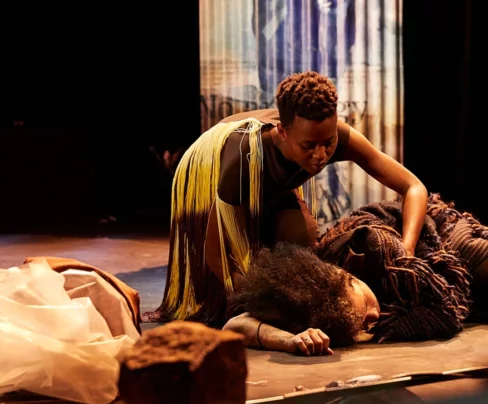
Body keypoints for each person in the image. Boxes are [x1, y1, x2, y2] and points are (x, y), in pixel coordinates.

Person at [150, 70, 427, 327]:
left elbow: (413, 186)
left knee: (301, 235)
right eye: (309, 146)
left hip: (271, 183)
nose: (320, 155)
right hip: (207, 173)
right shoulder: (244, 159)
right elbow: (216, 253)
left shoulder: (336, 137)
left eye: (327, 143)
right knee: (227, 289)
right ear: (283, 132)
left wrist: (406, 250)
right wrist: (258, 303)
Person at [223, 195, 488, 355]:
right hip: (440, 289)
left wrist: (379, 330)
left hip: (435, 249)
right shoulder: (315, 302)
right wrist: (288, 342)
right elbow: (235, 325)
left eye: (365, 312)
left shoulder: (372, 247)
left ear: (349, 279)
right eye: (361, 325)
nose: (371, 321)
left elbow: (444, 307)